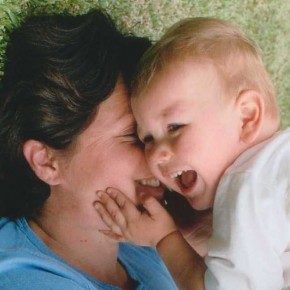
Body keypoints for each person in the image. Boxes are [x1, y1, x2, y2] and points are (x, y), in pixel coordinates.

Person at [94, 17, 290, 290]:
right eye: (146, 138)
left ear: (247, 116)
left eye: (175, 127)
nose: (157, 155)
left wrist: (164, 238)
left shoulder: (247, 187)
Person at [0, 10, 180, 289]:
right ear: (47, 161)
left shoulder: (141, 241)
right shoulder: (25, 279)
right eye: (134, 136)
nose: (161, 156)